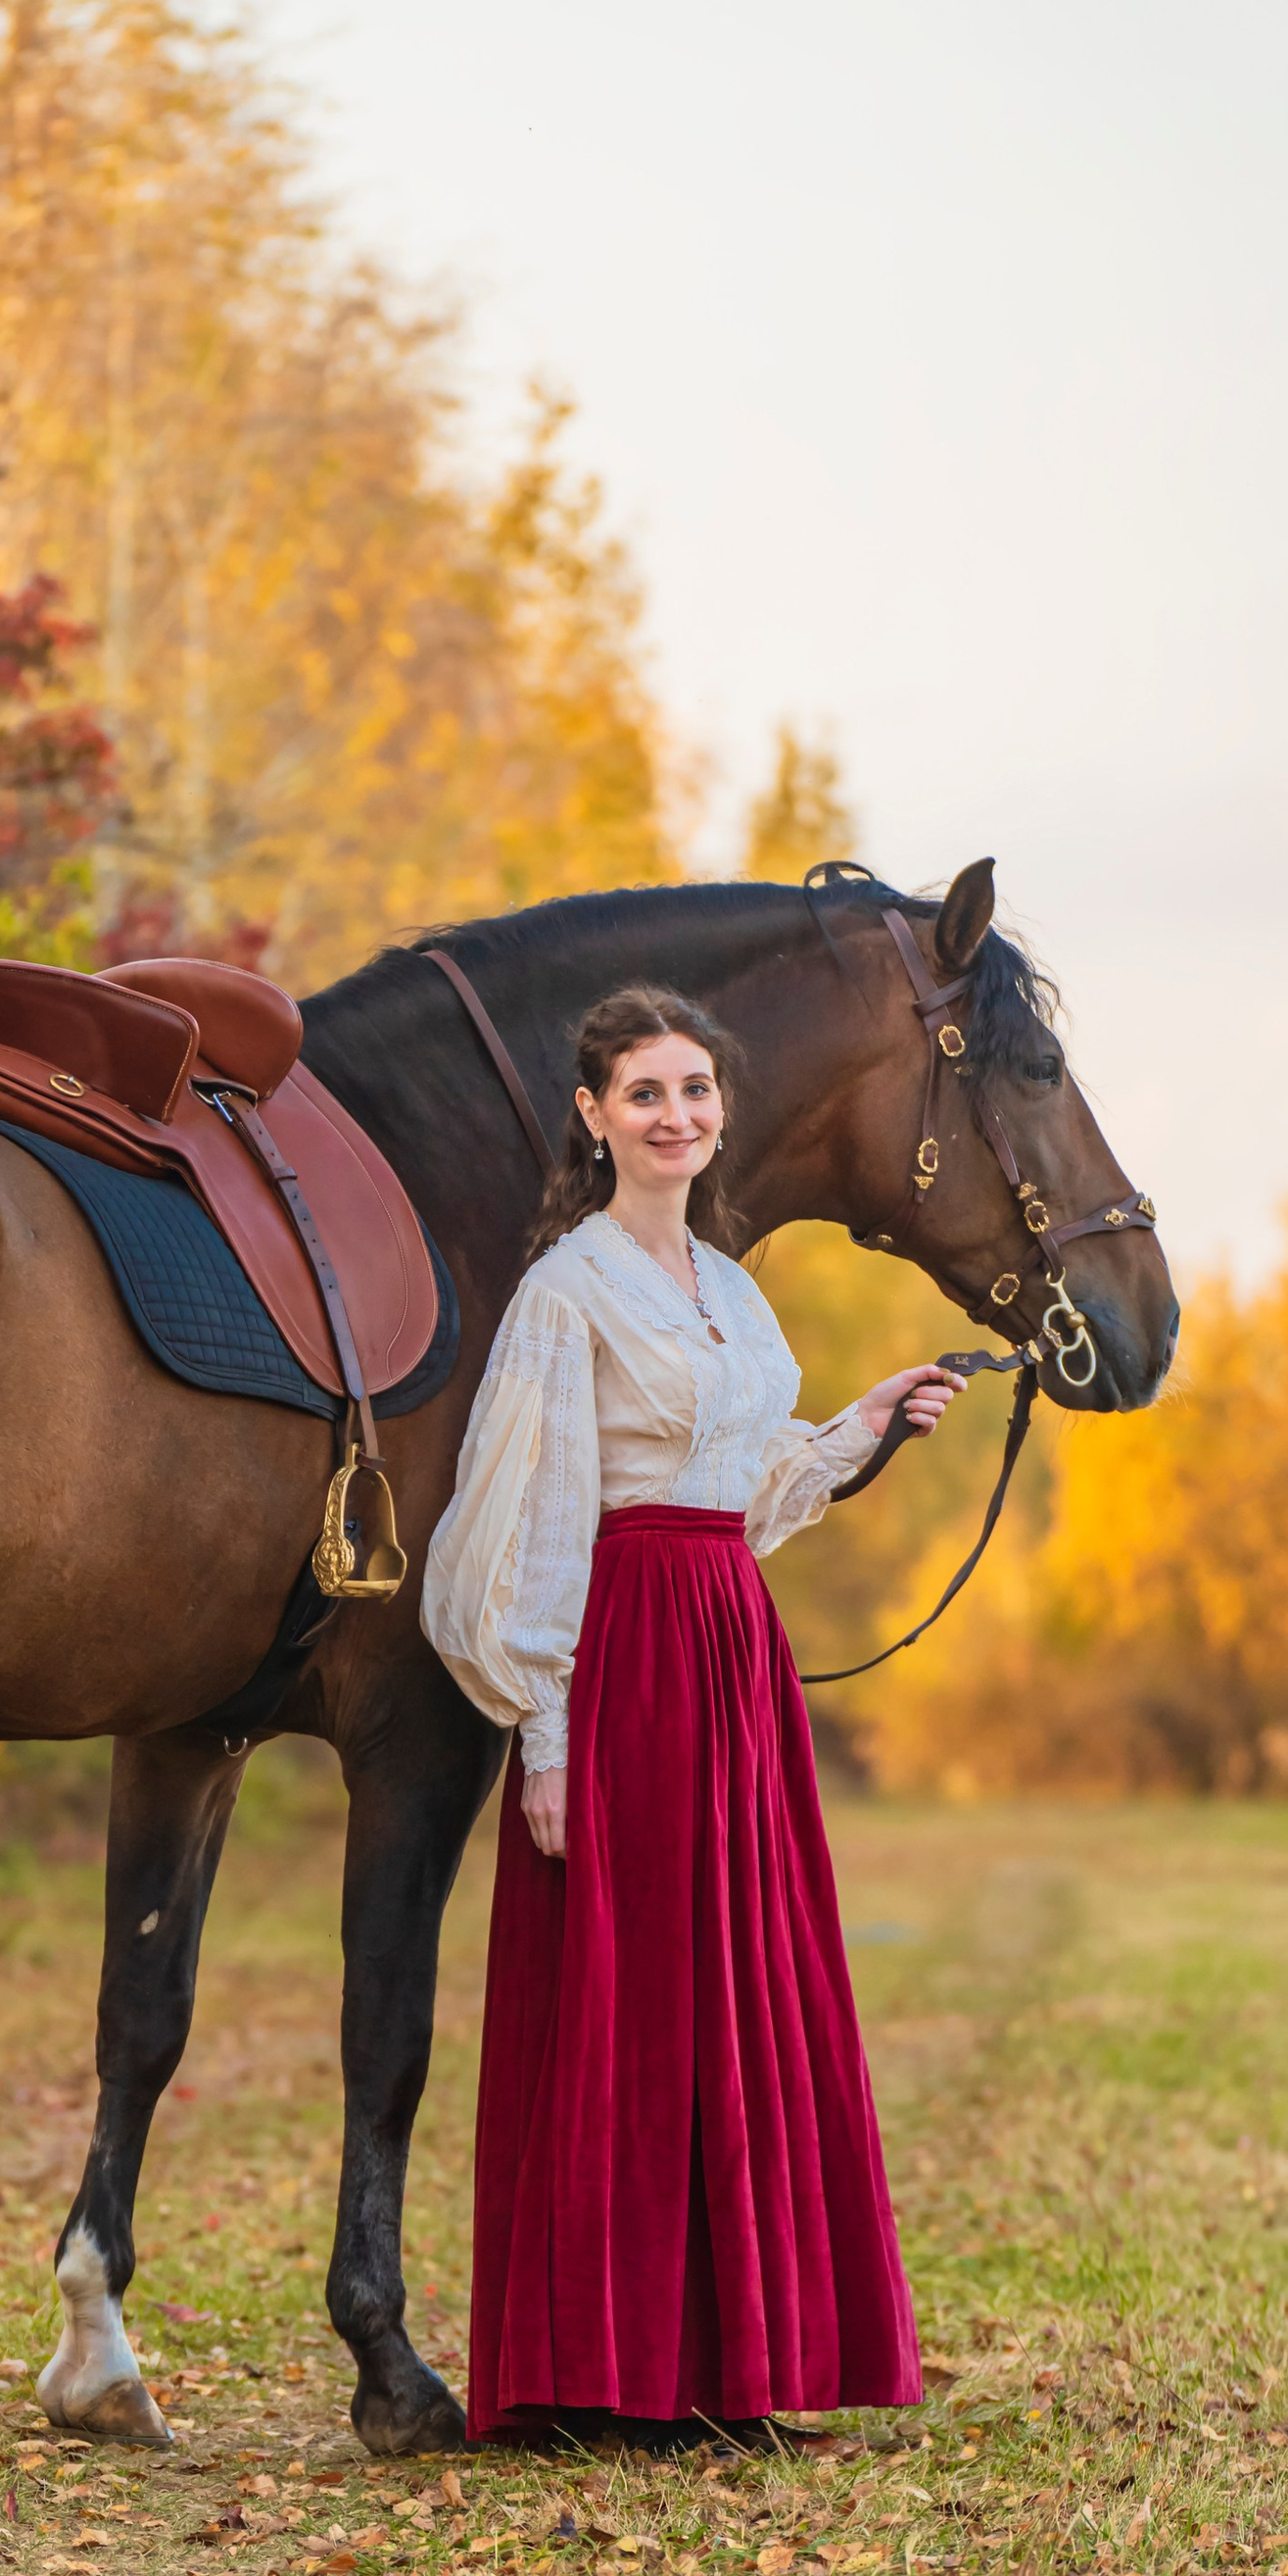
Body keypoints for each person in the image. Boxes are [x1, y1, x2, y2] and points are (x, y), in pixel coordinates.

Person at [420, 983, 967, 2451]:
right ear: (593, 1116)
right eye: (646, 1093)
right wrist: (543, 1732)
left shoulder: (731, 1289)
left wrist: (858, 1430)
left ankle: (731, 2367)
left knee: (739, 1989)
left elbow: (746, 1484)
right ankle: (608, 2375)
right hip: (626, 1649)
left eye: (697, 1092)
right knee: (639, 1997)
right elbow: (532, 1514)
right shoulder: (567, 1291)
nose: (678, 1116)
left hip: (732, 1640)